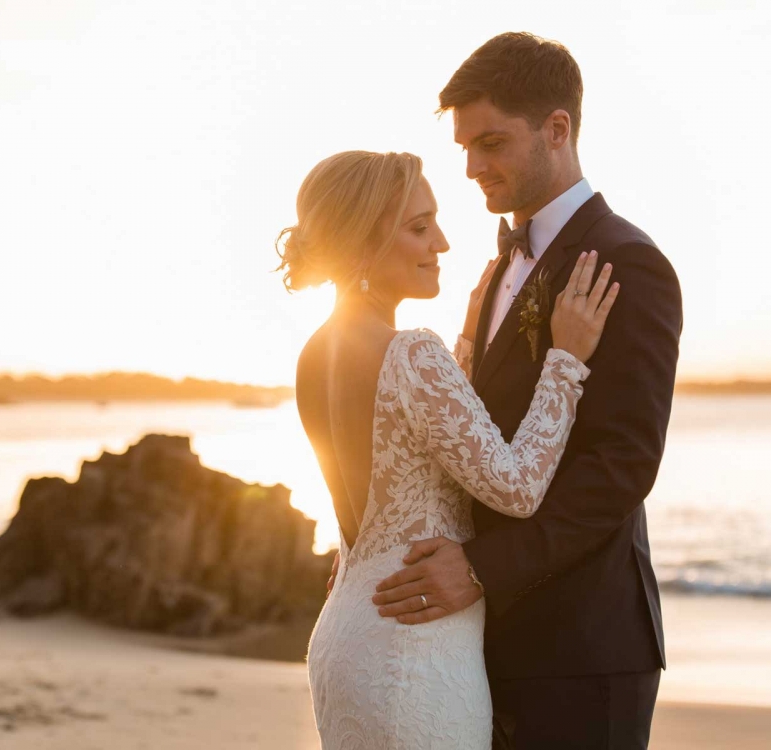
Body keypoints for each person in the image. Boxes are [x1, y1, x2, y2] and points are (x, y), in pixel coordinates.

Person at [371, 33, 683, 749]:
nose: (475, 167)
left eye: (492, 143)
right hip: (482, 641)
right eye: (466, 150)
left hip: (583, 648)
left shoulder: (628, 263)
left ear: (558, 129)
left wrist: (479, 571)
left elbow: (622, 465)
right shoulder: (495, 272)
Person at [280, 148, 618, 748]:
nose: (441, 242)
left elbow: (409, 443)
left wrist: (463, 345)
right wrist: (565, 360)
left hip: (348, 638)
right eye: (418, 227)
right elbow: (516, 487)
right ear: (362, 241)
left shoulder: (316, 353)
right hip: (414, 650)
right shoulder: (411, 352)